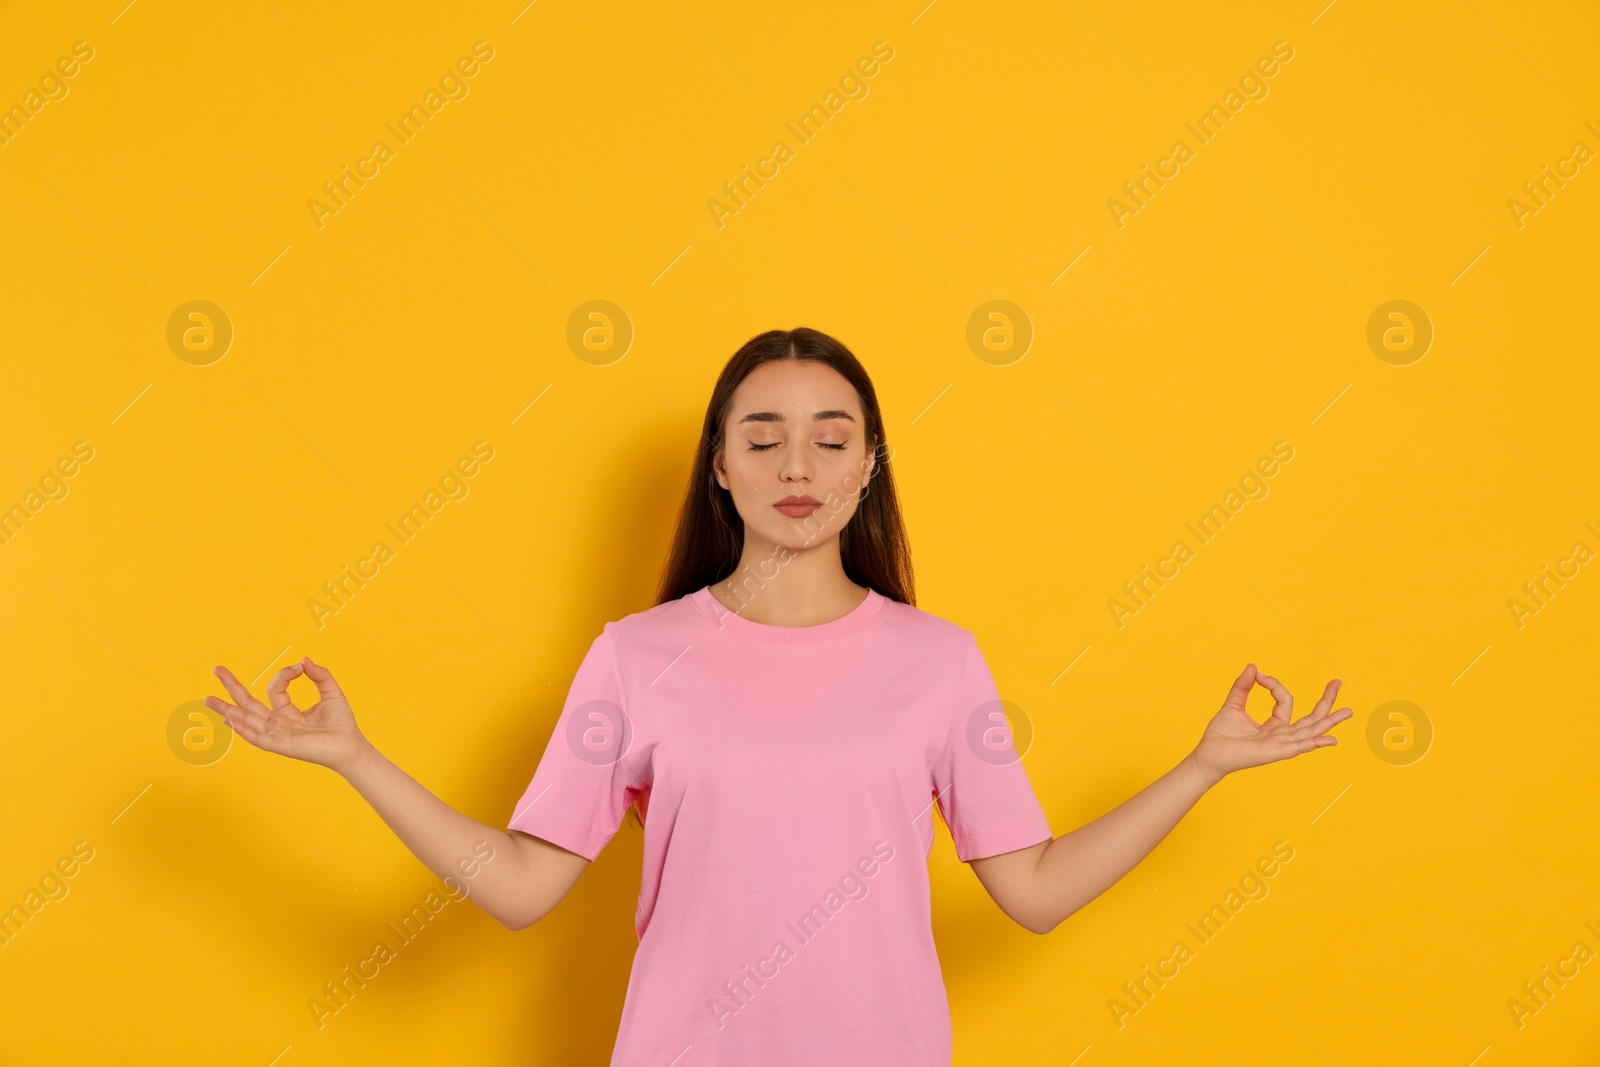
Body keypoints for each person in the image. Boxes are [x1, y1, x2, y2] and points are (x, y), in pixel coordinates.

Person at [206, 326, 1351, 1065]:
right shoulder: (632, 655)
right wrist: (355, 756)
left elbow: (1034, 889)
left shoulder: (940, 660)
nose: (795, 468)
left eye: (827, 439)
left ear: (867, 465)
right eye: (763, 438)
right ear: (718, 463)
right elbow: (518, 884)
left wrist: (1202, 766)